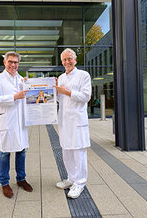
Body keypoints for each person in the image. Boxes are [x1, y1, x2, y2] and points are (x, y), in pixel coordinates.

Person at [0, 51, 33, 198]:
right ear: (5, 62)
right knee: (5, 152)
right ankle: (4, 182)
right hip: (7, 120)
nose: (13, 65)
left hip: (20, 121)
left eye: (16, 62)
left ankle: (21, 179)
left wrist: (29, 84)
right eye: (10, 62)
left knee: (21, 151)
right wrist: (14, 97)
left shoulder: (22, 79)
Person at [53, 48, 91, 199]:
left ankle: (80, 183)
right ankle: (71, 179)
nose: (67, 62)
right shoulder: (61, 77)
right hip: (64, 120)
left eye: (70, 59)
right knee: (66, 150)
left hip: (77, 120)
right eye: (64, 60)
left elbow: (86, 96)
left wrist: (66, 92)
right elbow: (59, 100)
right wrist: (55, 92)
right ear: (62, 62)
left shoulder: (83, 75)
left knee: (78, 152)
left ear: (75, 60)